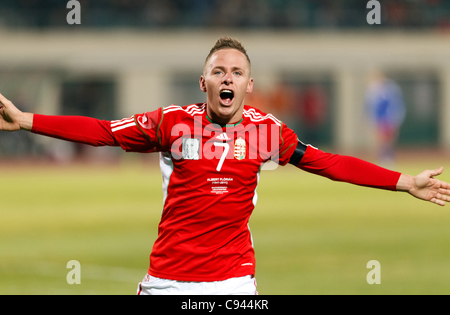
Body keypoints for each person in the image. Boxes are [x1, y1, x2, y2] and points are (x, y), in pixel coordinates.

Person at [1, 37, 449, 295]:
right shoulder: (169, 122)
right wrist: (25, 120)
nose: (228, 78)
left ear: (249, 84)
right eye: (219, 71)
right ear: (204, 82)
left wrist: (405, 181)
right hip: (167, 282)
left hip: (231, 286)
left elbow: (327, 163)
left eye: (236, 72)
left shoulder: (268, 131)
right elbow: (102, 130)